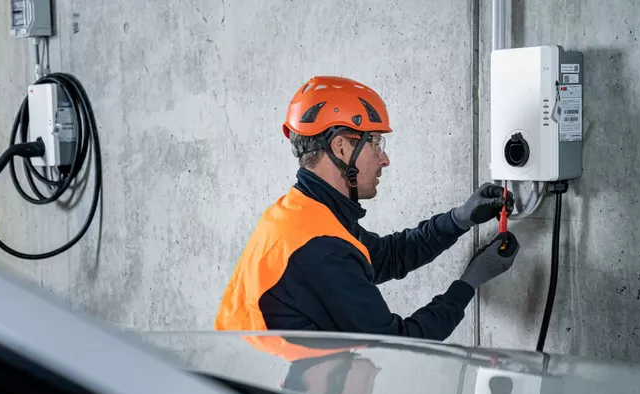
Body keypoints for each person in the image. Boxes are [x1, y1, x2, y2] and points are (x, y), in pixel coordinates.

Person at [214, 76, 520, 341]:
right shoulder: (320, 249)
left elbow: (386, 257)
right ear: (341, 147)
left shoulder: (302, 212)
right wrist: (471, 282)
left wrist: (458, 219)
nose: (383, 159)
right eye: (375, 143)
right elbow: (396, 346)